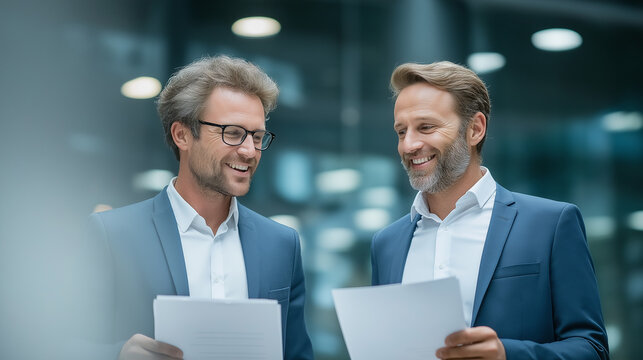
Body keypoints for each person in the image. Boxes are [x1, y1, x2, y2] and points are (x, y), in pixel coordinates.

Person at [370, 61, 609, 359]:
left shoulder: (551, 225)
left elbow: (592, 349)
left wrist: (507, 354)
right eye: (401, 131)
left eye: (426, 127)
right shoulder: (386, 244)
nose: (409, 145)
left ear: (475, 129)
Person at [88, 56, 313, 360]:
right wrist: (116, 355)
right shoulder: (111, 235)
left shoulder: (282, 245)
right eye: (232, 133)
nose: (249, 151)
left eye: (257, 137)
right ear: (182, 135)